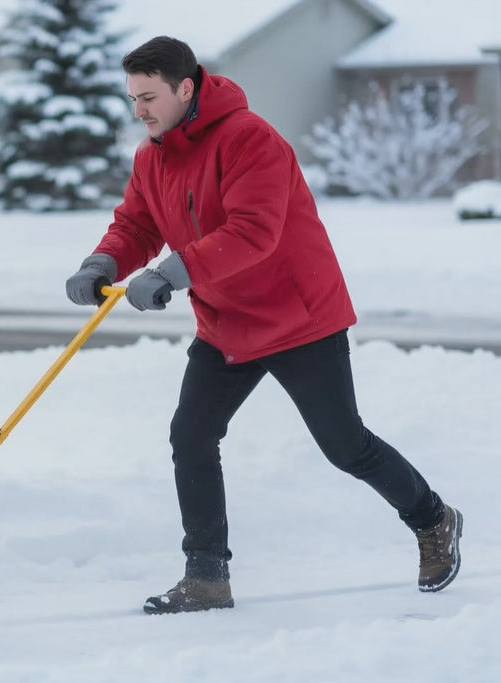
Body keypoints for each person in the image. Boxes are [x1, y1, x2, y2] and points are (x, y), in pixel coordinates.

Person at [65, 36, 463, 614]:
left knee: (345, 446)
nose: (140, 111)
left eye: (149, 97)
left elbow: (255, 230)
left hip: (297, 317)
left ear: (186, 88)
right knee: (192, 436)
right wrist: (101, 262)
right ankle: (206, 577)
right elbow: (137, 223)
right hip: (226, 322)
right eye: (132, 98)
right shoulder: (152, 156)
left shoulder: (251, 140)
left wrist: (174, 273)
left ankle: (434, 519)